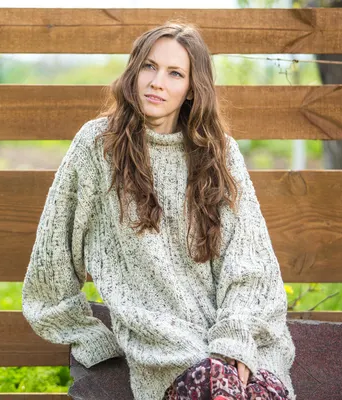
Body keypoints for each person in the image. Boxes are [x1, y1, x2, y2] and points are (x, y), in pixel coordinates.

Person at [21, 21, 296, 400]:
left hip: (239, 340)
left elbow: (250, 262)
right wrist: (85, 335)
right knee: (215, 388)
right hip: (165, 345)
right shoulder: (98, 148)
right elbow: (52, 260)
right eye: (149, 66)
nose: (157, 82)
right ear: (134, 71)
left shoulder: (220, 152)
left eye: (175, 73)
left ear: (190, 89)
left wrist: (234, 339)